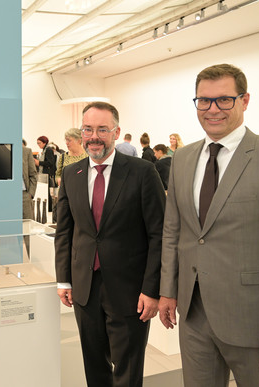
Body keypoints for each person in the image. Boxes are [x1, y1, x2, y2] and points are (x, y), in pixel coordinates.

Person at [158, 63, 259, 386]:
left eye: (224, 100)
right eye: (204, 100)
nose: (212, 109)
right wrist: (168, 291)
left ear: (244, 101)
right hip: (193, 315)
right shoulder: (183, 159)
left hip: (253, 321)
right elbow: (174, 230)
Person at [55, 101, 165, 387]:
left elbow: (159, 234)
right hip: (85, 289)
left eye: (102, 129)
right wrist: (64, 280)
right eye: (88, 129)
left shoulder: (142, 172)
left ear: (116, 132)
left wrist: (152, 289)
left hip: (130, 292)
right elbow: (65, 232)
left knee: (127, 371)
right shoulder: (71, 174)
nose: (94, 136)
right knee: (94, 367)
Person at [34, 135, 56, 212]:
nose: (38, 145)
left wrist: (39, 162)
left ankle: (49, 208)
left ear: (44, 143)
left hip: (47, 175)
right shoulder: (44, 150)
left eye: (39, 143)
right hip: (44, 174)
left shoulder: (48, 150)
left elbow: (50, 162)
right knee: (45, 192)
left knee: (47, 193)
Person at [22, 140, 37, 220]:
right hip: (6, 195)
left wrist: (30, 193)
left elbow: (33, 174)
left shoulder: (26, 151)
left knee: (27, 225)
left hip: (24, 195)